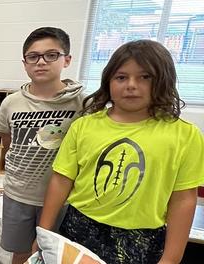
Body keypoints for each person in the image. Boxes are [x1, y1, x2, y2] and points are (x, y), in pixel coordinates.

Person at [38, 39, 204, 264]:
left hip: (142, 238)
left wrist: (172, 258)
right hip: (80, 228)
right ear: (108, 82)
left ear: (163, 80)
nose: (131, 85)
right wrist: (44, 233)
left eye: (145, 77)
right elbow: (61, 179)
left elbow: (183, 199)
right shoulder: (84, 126)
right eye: (121, 77)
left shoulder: (185, 135)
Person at [0, 26, 84, 264]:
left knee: (54, 255)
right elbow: (7, 141)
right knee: (20, 253)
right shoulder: (11, 102)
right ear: (25, 63)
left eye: (51, 55)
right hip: (18, 193)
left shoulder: (83, 103)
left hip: (61, 198)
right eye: (33, 57)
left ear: (67, 60)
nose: (41, 62)